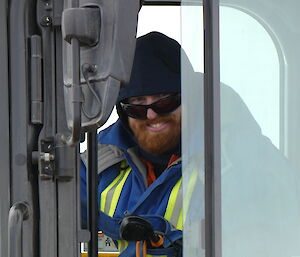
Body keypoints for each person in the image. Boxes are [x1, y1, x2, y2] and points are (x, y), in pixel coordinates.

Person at [81, 31, 186, 257]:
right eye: (138, 105)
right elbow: (52, 213)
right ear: (123, 112)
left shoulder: (231, 165)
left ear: (190, 98)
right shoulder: (96, 161)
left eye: (165, 101)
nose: (151, 115)